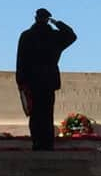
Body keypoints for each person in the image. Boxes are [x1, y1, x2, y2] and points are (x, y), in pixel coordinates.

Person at [16, 8, 77, 151]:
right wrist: (57, 23)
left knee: (35, 115)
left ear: (35, 18)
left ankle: (37, 143)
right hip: (49, 81)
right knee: (47, 114)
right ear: (47, 19)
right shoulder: (54, 36)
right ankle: (48, 144)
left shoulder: (26, 36)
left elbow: (20, 61)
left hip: (31, 81)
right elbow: (71, 35)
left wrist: (20, 81)